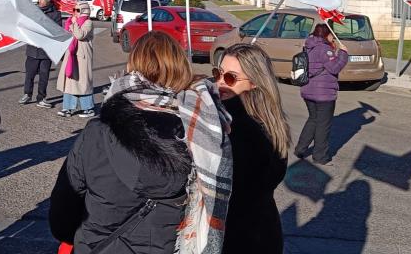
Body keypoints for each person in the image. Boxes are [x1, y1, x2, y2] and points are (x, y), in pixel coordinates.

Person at [49, 31, 232, 254]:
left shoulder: (98, 131)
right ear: (181, 67)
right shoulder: (205, 131)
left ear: (133, 67)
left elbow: (63, 212)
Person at [214, 43, 290, 254]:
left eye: (230, 78)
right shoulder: (271, 121)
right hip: (264, 231)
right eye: (218, 73)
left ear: (255, 82)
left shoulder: (235, 127)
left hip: (238, 238)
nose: (220, 82)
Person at [293, 24, 349, 165]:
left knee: (313, 119)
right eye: (331, 34)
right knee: (323, 125)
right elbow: (334, 67)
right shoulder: (324, 49)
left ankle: (300, 149)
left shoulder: (309, 46)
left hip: (308, 90)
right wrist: (343, 53)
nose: (333, 37)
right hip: (324, 93)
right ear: (326, 35)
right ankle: (320, 156)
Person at [20, 0, 60, 108]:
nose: (39, 1)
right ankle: (27, 94)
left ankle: (41, 98)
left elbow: (56, 30)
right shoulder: (33, 12)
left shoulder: (55, 14)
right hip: (32, 50)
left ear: (47, 0)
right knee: (29, 74)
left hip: (46, 52)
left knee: (44, 76)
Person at [56, 2, 94, 118]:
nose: (75, 12)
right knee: (70, 81)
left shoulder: (88, 22)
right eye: (74, 10)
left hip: (82, 56)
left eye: (78, 10)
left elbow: (79, 35)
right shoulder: (74, 22)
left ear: (84, 11)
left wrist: (73, 24)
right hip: (72, 55)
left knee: (83, 82)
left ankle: (88, 108)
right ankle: (68, 108)